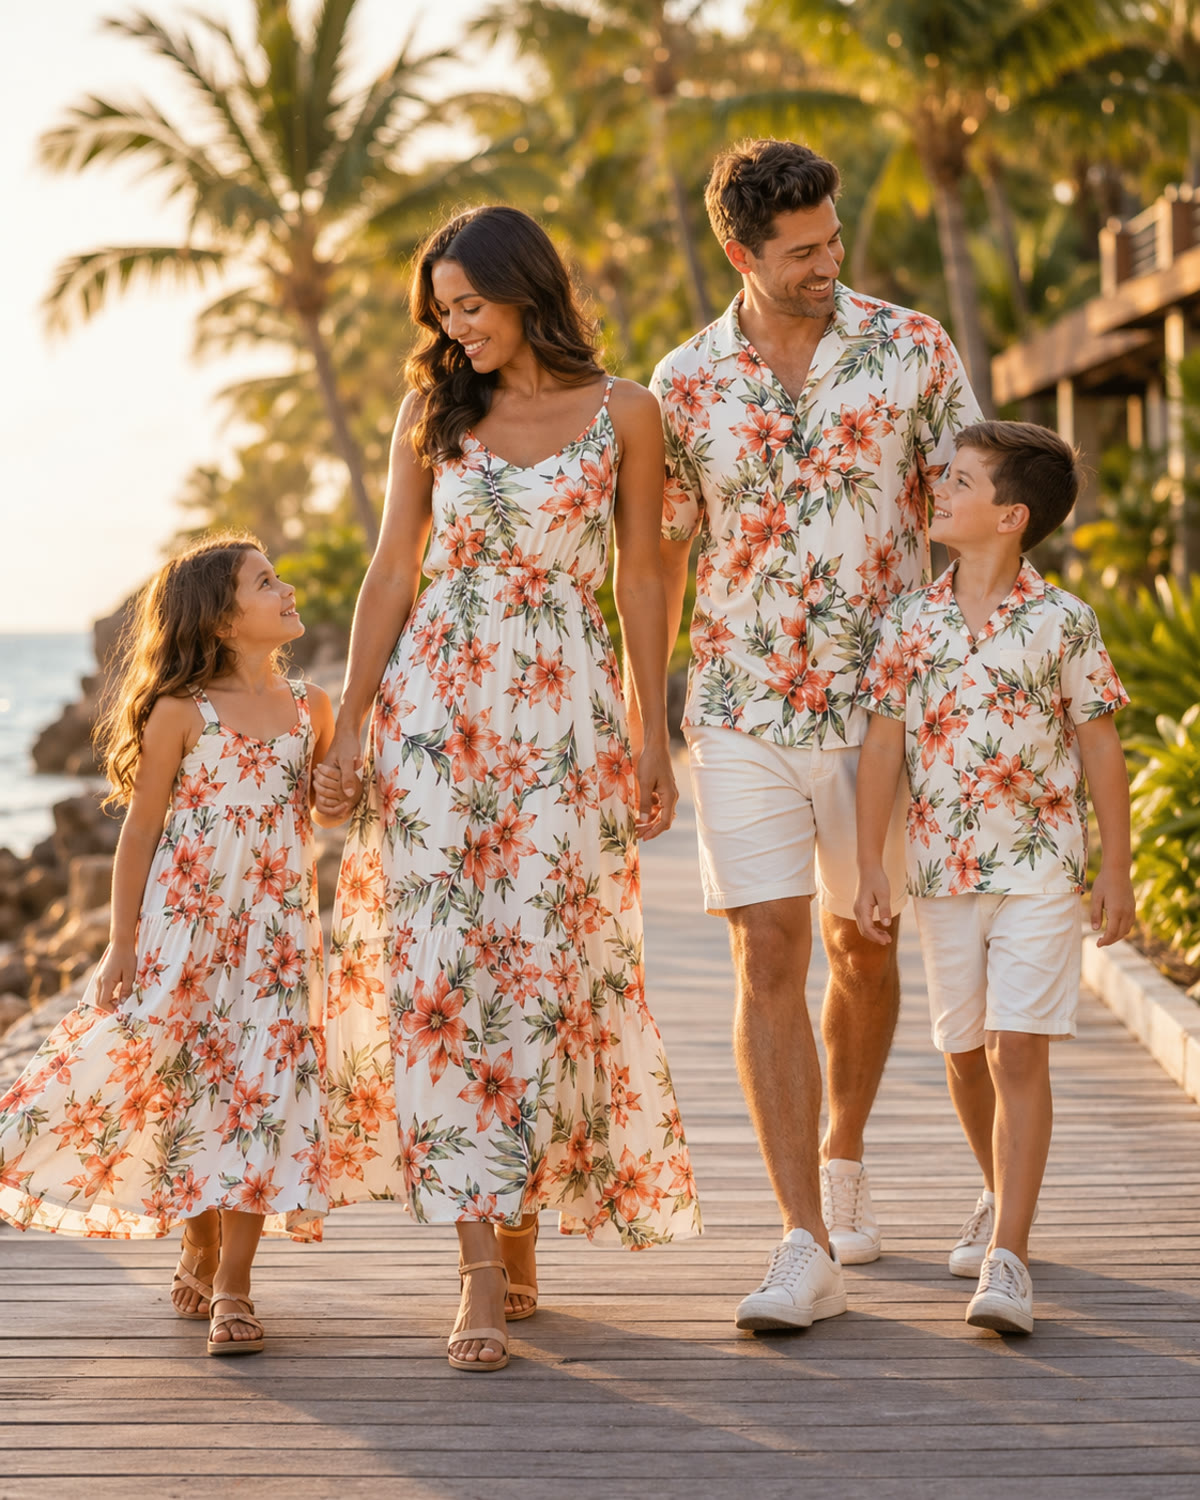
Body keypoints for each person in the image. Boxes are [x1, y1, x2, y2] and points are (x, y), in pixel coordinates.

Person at [314, 205, 701, 1374]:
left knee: (544, 970)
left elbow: (641, 576)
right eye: (442, 312)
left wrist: (651, 730)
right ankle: (478, 1270)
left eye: (468, 306)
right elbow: (393, 571)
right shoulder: (435, 413)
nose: (455, 328)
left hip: (564, 716)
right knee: (444, 972)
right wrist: (354, 723)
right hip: (439, 714)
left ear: (526, 290)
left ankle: (522, 1223)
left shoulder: (627, 413)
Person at [646, 138, 981, 1330]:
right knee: (768, 954)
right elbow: (666, 551)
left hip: (884, 710)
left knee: (867, 948)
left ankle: (843, 1152)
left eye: (835, 240)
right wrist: (651, 721)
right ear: (740, 252)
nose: (829, 263)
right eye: (802, 252)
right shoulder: (684, 382)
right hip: (739, 703)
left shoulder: (912, 348)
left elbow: (973, 518)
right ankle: (801, 1240)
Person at [0, 535, 338, 1355]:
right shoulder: (181, 713)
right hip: (184, 935)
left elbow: (326, 812)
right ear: (223, 620)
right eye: (266, 583)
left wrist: (335, 789)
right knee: (194, 1091)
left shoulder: (313, 709)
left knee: (262, 1094)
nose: (287, 589)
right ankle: (196, 1237)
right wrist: (121, 947)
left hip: (279, 943)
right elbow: (141, 832)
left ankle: (235, 1285)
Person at [855, 420, 1133, 1333]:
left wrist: (1116, 872)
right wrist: (870, 865)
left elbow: (1099, 744)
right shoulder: (910, 622)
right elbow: (885, 747)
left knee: (1019, 1049)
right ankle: (995, 1187)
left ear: (1011, 516)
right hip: (942, 872)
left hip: (1040, 869)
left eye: (963, 480)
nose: (942, 486)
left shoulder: (1064, 622)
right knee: (963, 1052)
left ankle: (1008, 1256)